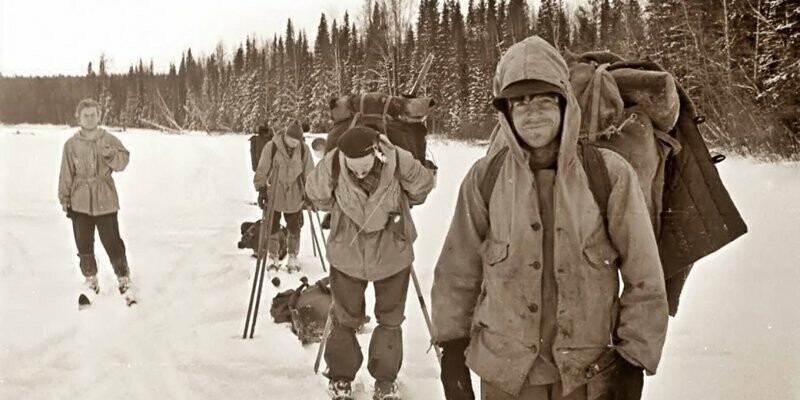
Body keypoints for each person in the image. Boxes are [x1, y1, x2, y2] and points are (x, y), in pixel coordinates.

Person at [430, 36, 669, 400]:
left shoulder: (608, 174)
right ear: (506, 113)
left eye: (544, 98)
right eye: (519, 102)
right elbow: (456, 272)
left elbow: (644, 276)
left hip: (587, 377)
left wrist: (633, 360)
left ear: (564, 102)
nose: (533, 112)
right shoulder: (485, 178)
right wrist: (451, 351)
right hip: (504, 375)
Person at [305, 126, 436, 400]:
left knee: (389, 319)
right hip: (349, 256)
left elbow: (423, 187)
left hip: (390, 255)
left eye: (365, 168)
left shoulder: (397, 159)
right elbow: (315, 193)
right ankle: (341, 377)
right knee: (344, 318)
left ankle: (385, 380)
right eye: (354, 169)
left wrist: (409, 168)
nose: (360, 173)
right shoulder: (334, 163)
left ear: (377, 152)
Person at [58, 98, 132, 295]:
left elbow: (123, 162)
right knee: (83, 242)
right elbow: (66, 174)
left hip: (105, 199)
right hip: (79, 200)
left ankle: (123, 277)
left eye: (93, 115)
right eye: (86, 115)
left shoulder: (108, 139)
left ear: (99, 116)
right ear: (79, 117)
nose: (90, 119)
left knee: (112, 241)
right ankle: (91, 280)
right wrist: (65, 199)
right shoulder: (71, 145)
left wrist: (111, 156)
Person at [253, 121, 314, 272]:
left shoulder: (304, 150)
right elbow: (262, 168)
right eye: (292, 139)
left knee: (295, 227)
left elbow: (309, 172)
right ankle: (273, 255)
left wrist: (311, 193)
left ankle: (292, 256)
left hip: (295, 194)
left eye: (297, 141)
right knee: (272, 226)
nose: (294, 143)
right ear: (285, 136)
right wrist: (261, 189)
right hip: (274, 192)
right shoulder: (272, 147)